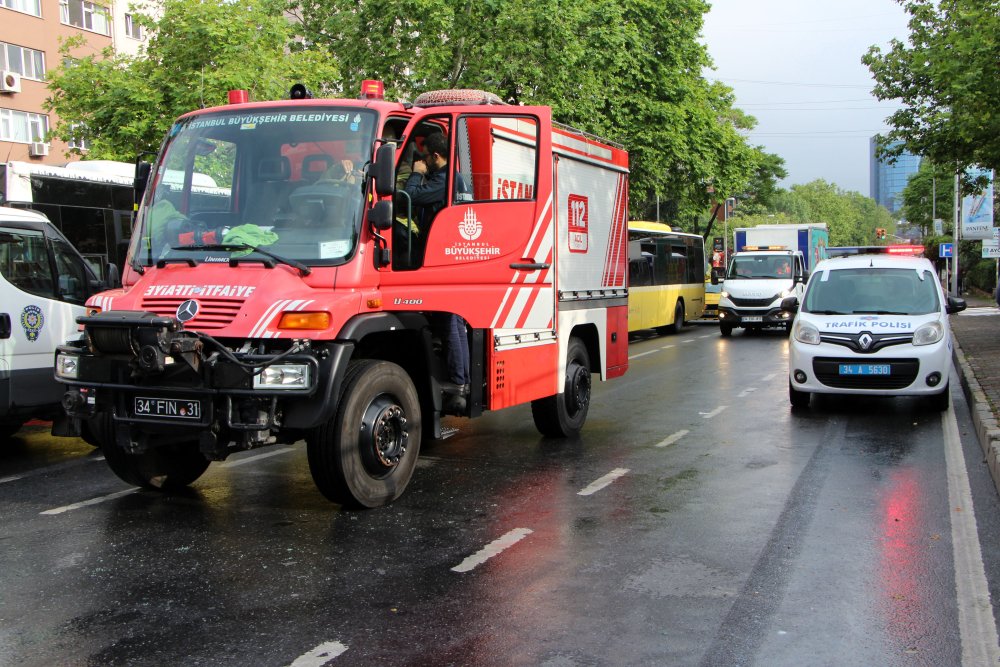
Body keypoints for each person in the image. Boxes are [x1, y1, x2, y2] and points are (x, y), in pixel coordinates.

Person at [402, 132, 471, 398]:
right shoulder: (458, 179)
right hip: (454, 257)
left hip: (441, 259)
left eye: (425, 156)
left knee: (449, 321)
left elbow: (409, 198)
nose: (423, 160)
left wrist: (416, 173)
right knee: (456, 321)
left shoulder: (444, 181)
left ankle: (458, 381)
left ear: (436, 156)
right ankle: (462, 378)